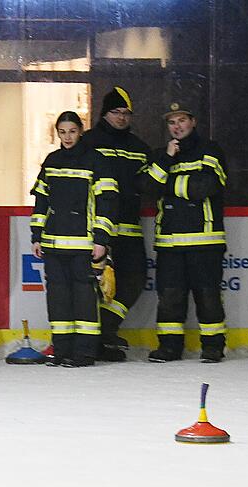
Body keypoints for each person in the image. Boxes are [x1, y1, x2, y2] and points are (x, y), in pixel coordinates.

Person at [31, 111, 118, 367]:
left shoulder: (97, 161)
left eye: (71, 131)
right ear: (57, 133)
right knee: (58, 299)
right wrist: (36, 236)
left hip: (84, 245)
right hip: (54, 244)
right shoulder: (52, 160)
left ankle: (85, 353)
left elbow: (107, 203)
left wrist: (101, 240)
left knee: (84, 300)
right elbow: (41, 202)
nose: (67, 137)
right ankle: (62, 351)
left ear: (81, 131)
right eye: (62, 132)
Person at [142, 103, 228, 363]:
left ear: (193, 121)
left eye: (181, 120)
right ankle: (169, 348)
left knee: (208, 297)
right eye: (171, 122)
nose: (177, 126)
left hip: (206, 241)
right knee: (169, 299)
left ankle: (213, 348)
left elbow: (207, 186)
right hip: (169, 243)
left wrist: (166, 185)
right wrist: (167, 160)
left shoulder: (210, 150)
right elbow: (146, 188)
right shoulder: (160, 155)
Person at [81, 86, 151, 361]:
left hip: (130, 229)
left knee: (134, 280)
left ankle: (106, 329)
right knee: (94, 286)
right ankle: (94, 340)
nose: (122, 118)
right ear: (104, 113)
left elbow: (150, 182)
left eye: (126, 113)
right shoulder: (88, 142)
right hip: (97, 230)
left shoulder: (139, 147)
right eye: (116, 112)